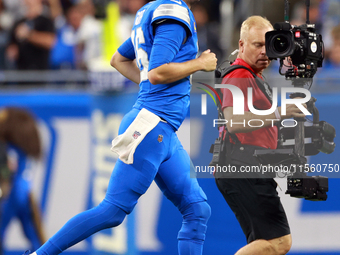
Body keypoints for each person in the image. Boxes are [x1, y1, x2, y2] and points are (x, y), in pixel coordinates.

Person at [27, 1, 217, 255]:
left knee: (197, 208)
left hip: (162, 129)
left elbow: (119, 60)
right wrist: (200, 63)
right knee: (113, 210)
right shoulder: (173, 12)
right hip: (153, 127)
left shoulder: (152, 10)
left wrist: (151, 86)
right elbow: (158, 72)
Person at [215, 16, 307, 255]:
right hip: (242, 167)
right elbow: (234, 122)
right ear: (242, 45)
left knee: (263, 244)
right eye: (257, 45)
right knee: (279, 242)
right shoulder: (240, 75)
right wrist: (280, 112)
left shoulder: (253, 76)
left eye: (268, 45)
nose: (264, 51)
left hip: (244, 166)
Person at [0, 107, 46, 252]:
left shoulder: (9, 148)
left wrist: (4, 184)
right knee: (35, 238)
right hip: (26, 194)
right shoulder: (26, 150)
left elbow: (7, 171)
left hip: (11, 194)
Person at [5, 0, 55, 70]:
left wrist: (28, 35)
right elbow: (12, 46)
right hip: (21, 72)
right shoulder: (18, 23)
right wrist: (12, 51)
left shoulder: (46, 21)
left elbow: (50, 42)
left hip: (40, 72)